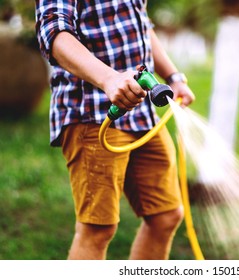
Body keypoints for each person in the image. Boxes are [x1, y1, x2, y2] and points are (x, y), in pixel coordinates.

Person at [35, 0, 195, 260]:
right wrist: (109, 78)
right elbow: (54, 32)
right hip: (93, 111)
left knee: (165, 215)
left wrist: (173, 77)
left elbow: (140, 22)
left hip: (143, 114)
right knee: (97, 229)